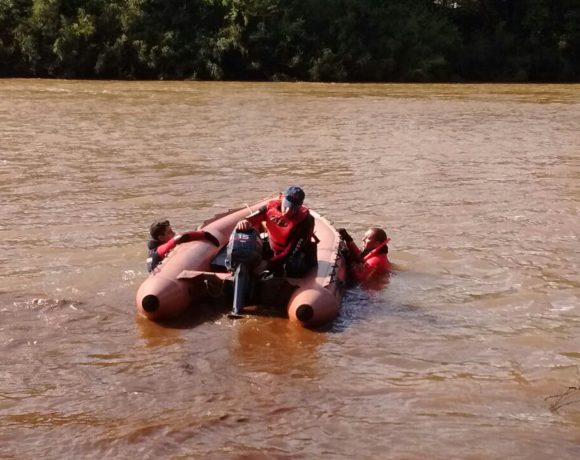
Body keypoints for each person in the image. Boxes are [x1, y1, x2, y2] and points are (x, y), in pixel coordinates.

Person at [235, 186, 317, 277]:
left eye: (293, 208)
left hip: (295, 255)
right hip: (274, 249)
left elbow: (290, 251)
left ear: (300, 206)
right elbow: (250, 219)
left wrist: (269, 264)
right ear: (282, 198)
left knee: (293, 268)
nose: (287, 211)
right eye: (286, 206)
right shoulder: (270, 207)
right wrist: (244, 221)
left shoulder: (305, 221)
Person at [147, 219, 220, 272]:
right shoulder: (160, 250)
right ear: (161, 237)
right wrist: (205, 234)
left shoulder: (152, 250)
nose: (174, 233)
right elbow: (181, 237)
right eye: (170, 232)